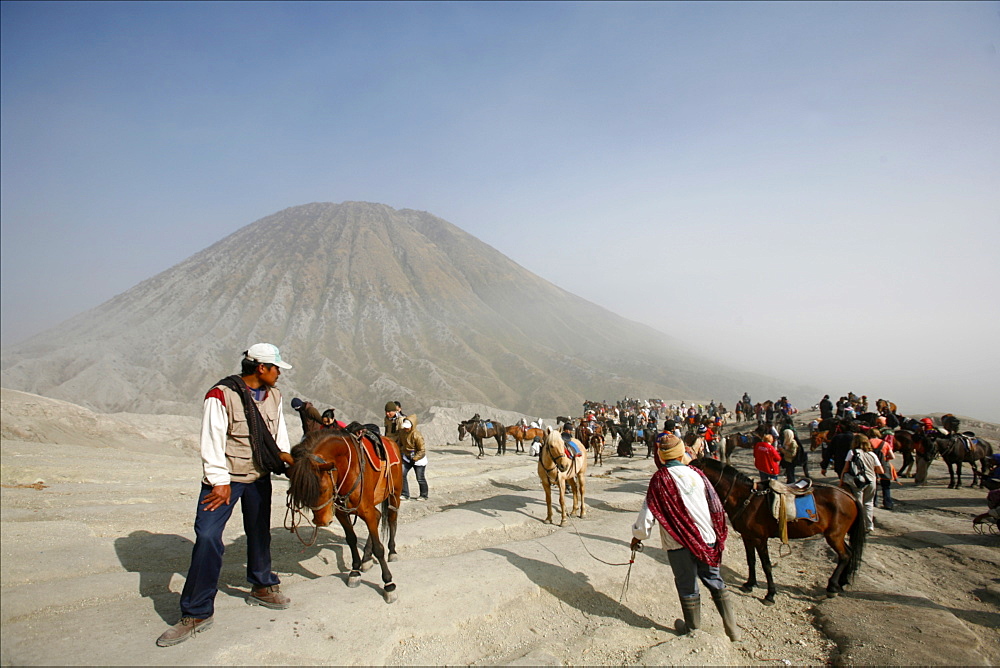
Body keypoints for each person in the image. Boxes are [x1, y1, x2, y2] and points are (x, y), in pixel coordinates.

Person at [157, 343, 295, 647]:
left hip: (258, 476)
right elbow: (211, 439)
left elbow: (278, 432)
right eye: (276, 369)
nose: (279, 375)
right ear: (261, 368)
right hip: (225, 480)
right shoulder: (220, 395)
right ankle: (196, 612)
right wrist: (219, 481)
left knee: (259, 533)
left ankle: (262, 585)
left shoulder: (275, 396)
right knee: (207, 536)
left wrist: (287, 459)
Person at [630, 433, 741, 640]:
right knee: (714, 579)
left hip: (678, 542)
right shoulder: (698, 475)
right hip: (707, 538)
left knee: (687, 584)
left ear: (662, 457)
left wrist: (639, 536)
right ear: (682, 454)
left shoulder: (659, 479)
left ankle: (693, 629)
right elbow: (715, 506)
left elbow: (648, 515)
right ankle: (733, 629)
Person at [841, 434, 883, 533]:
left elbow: (846, 468)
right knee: (868, 503)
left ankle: (859, 526)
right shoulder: (872, 454)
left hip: (858, 481)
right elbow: (880, 470)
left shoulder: (852, 452)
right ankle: (869, 525)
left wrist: (842, 480)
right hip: (871, 481)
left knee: (858, 504)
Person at [397, 413, 428, 501]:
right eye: (405, 426)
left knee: (420, 478)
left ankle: (424, 495)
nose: (406, 428)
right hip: (407, 457)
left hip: (418, 460)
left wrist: (414, 459)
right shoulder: (402, 433)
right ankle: (405, 494)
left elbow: (422, 450)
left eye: (408, 427)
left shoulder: (417, 435)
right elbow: (400, 444)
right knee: (402, 474)